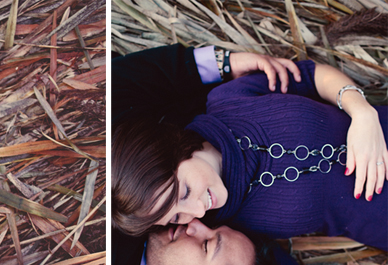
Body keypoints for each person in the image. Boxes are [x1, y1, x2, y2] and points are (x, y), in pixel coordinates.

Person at [110, 45, 326, 265]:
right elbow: (116, 87)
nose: (196, 222)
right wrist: (221, 62)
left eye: (208, 243)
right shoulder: (148, 203)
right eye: (211, 235)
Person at [112, 46, 388, 250]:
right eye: (177, 216)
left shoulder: (228, 99)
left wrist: (362, 112)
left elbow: (312, 75)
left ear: (173, 149)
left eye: (184, 191)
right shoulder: (230, 228)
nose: (197, 210)